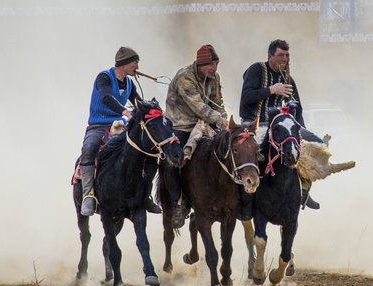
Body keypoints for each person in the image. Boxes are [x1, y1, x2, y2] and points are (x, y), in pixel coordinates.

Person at [240, 39, 322, 215]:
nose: (284, 59)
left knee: (316, 145)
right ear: (270, 56)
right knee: (252, 152)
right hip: (253, 123)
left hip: (279, 127)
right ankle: (244, 199)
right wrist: (271, 90)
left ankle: (304, 191)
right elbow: (246, 97)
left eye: (287, 55)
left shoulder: (287, 77)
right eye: (280, 55)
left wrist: (300, 132)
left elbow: (298, 109)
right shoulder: (256, 69)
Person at [79, 46, 162, 216]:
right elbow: (106, 97)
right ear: (123, 63)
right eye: (134, 62)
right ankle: (88, 195)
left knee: (145, 149)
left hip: (120, 125)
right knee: (89, 149)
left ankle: (144, 195)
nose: (137, 67)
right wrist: (125, 111)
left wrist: (153, 111)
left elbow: (138, 102)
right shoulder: (104, 77)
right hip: (98, 125)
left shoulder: (130, 83)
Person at [163, 44, 229, 228]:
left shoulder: (213, 78)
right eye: (210, 65)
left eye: (216, 65)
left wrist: (224, 118)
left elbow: (217, 102)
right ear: (200, 64)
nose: (214, 69)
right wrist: (220, 120)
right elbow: (198, 106)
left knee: (228, 149)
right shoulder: (184, 77)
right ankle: (178, 203)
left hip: (206, 123)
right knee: (170, 161)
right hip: (180, 125)